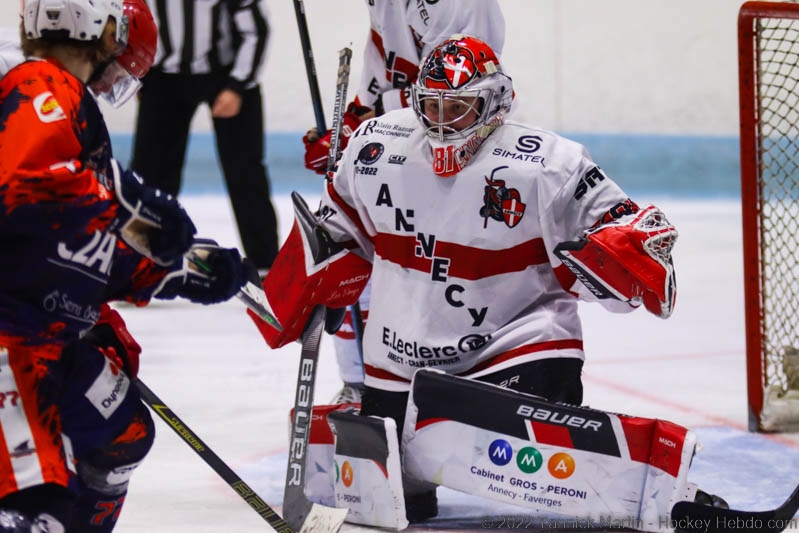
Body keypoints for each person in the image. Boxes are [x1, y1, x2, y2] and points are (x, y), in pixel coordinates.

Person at [252, 35, 729, 521]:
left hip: (511, 349)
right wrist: (311, 277)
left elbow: (630, 226)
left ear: (494, 102)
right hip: (398, 363)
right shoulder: (377, 146)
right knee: (385, 492)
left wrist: (626, 254)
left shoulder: (546, 164)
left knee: (480, 438)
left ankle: (668, 493)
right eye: (431, 107)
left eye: (458, 107)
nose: (442, 123)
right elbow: (340, 229)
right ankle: (419, 441)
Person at [0, 0, 249, 530]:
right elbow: (37, 199)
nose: (113, 73)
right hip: (13, 338)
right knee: (31, 511)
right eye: (119, 58)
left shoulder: (60, 101)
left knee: (122, 430)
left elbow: (74, 237)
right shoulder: (40, 85)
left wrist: (175, 269)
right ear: (99, 28)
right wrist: (130, 206)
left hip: (38, 324)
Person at [301, 0, 506, 405]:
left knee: (439, 271)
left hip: (460, 147)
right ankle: (361, 384)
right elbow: (383, 65)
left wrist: (362, 131)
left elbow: (453, 100)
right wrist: (351, 127)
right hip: (406, 142)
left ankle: (464, 379)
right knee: (349, 252)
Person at [131, 0, 278, 278]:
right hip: (162, 77)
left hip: (226, 72)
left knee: (245, 171)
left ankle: (265, 264)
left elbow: (256, 29)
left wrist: (237, 85)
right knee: (151, 174)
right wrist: (136, 75)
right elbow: (128, 21)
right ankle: (143, 262)